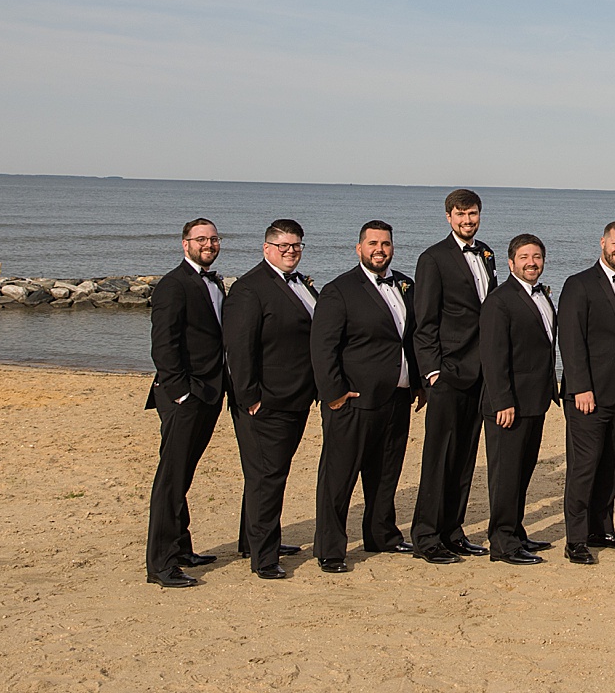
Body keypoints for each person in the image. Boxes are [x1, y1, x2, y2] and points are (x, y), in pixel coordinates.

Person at [309, 221, 419, 572]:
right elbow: (322, 347)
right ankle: (329, 548)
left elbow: (412, 338)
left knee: (386, 472)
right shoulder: (339, 290)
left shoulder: (405, 285)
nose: (380, 250)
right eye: (373, 243)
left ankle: (381, 535)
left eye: (385, 243)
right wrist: (334, 393)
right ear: (359, 248)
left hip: (397, 396)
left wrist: (417, 382)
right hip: (353, 400)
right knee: (339, 476)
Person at [222, 219, 320, 579]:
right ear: (267, 249)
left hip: (296, 397)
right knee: (267, 476)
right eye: (284, 246)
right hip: (266, 401)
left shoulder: (301, 285)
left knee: (267, 474)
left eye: (296, 246)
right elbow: (239, 347)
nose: (291, 251)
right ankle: (264, 558)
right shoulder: (250, 289)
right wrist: (250, 397)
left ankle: (253, 541)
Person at [557, 221, 615, 565]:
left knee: (613, 463)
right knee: (584, 466)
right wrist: (580, 386)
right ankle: (576, 540)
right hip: (589, 393)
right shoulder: (578, 284)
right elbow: (570, 339)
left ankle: (602, 529)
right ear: (602, 243)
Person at [410, 189, 496, 564]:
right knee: (438, 456)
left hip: (481, 373)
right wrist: (432, 373)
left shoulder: (488, 254)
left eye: (472, 214)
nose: (467, 220)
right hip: (447, 373)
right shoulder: (433, 259)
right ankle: (426, 535)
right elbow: (424, 322)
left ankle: (453, 530)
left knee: (465, 456)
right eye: (460, 215)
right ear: (448, 217)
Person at [145, 218, 230, 588]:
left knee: (184, 476)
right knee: (171, 479)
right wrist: (181, 392)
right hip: (185, 396)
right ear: (185, 244)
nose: (208, 244)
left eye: (213, 238)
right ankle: (161, 565)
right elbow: (163, 345)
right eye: (201, 239)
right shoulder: (173, 285)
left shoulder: (213, 282)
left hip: (210, 392)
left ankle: (181, 548)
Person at [480, 233, 560, 565]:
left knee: (523, 472)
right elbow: (493, 355)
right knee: (505, 475)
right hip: (509, 405)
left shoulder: (542, 295)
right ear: (511, 262)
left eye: (537, 256)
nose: (532, 262)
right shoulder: (499, 301)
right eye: (525, 257)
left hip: (535, 400)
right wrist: (502, 401)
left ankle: (516, 530)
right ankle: (502, 543)